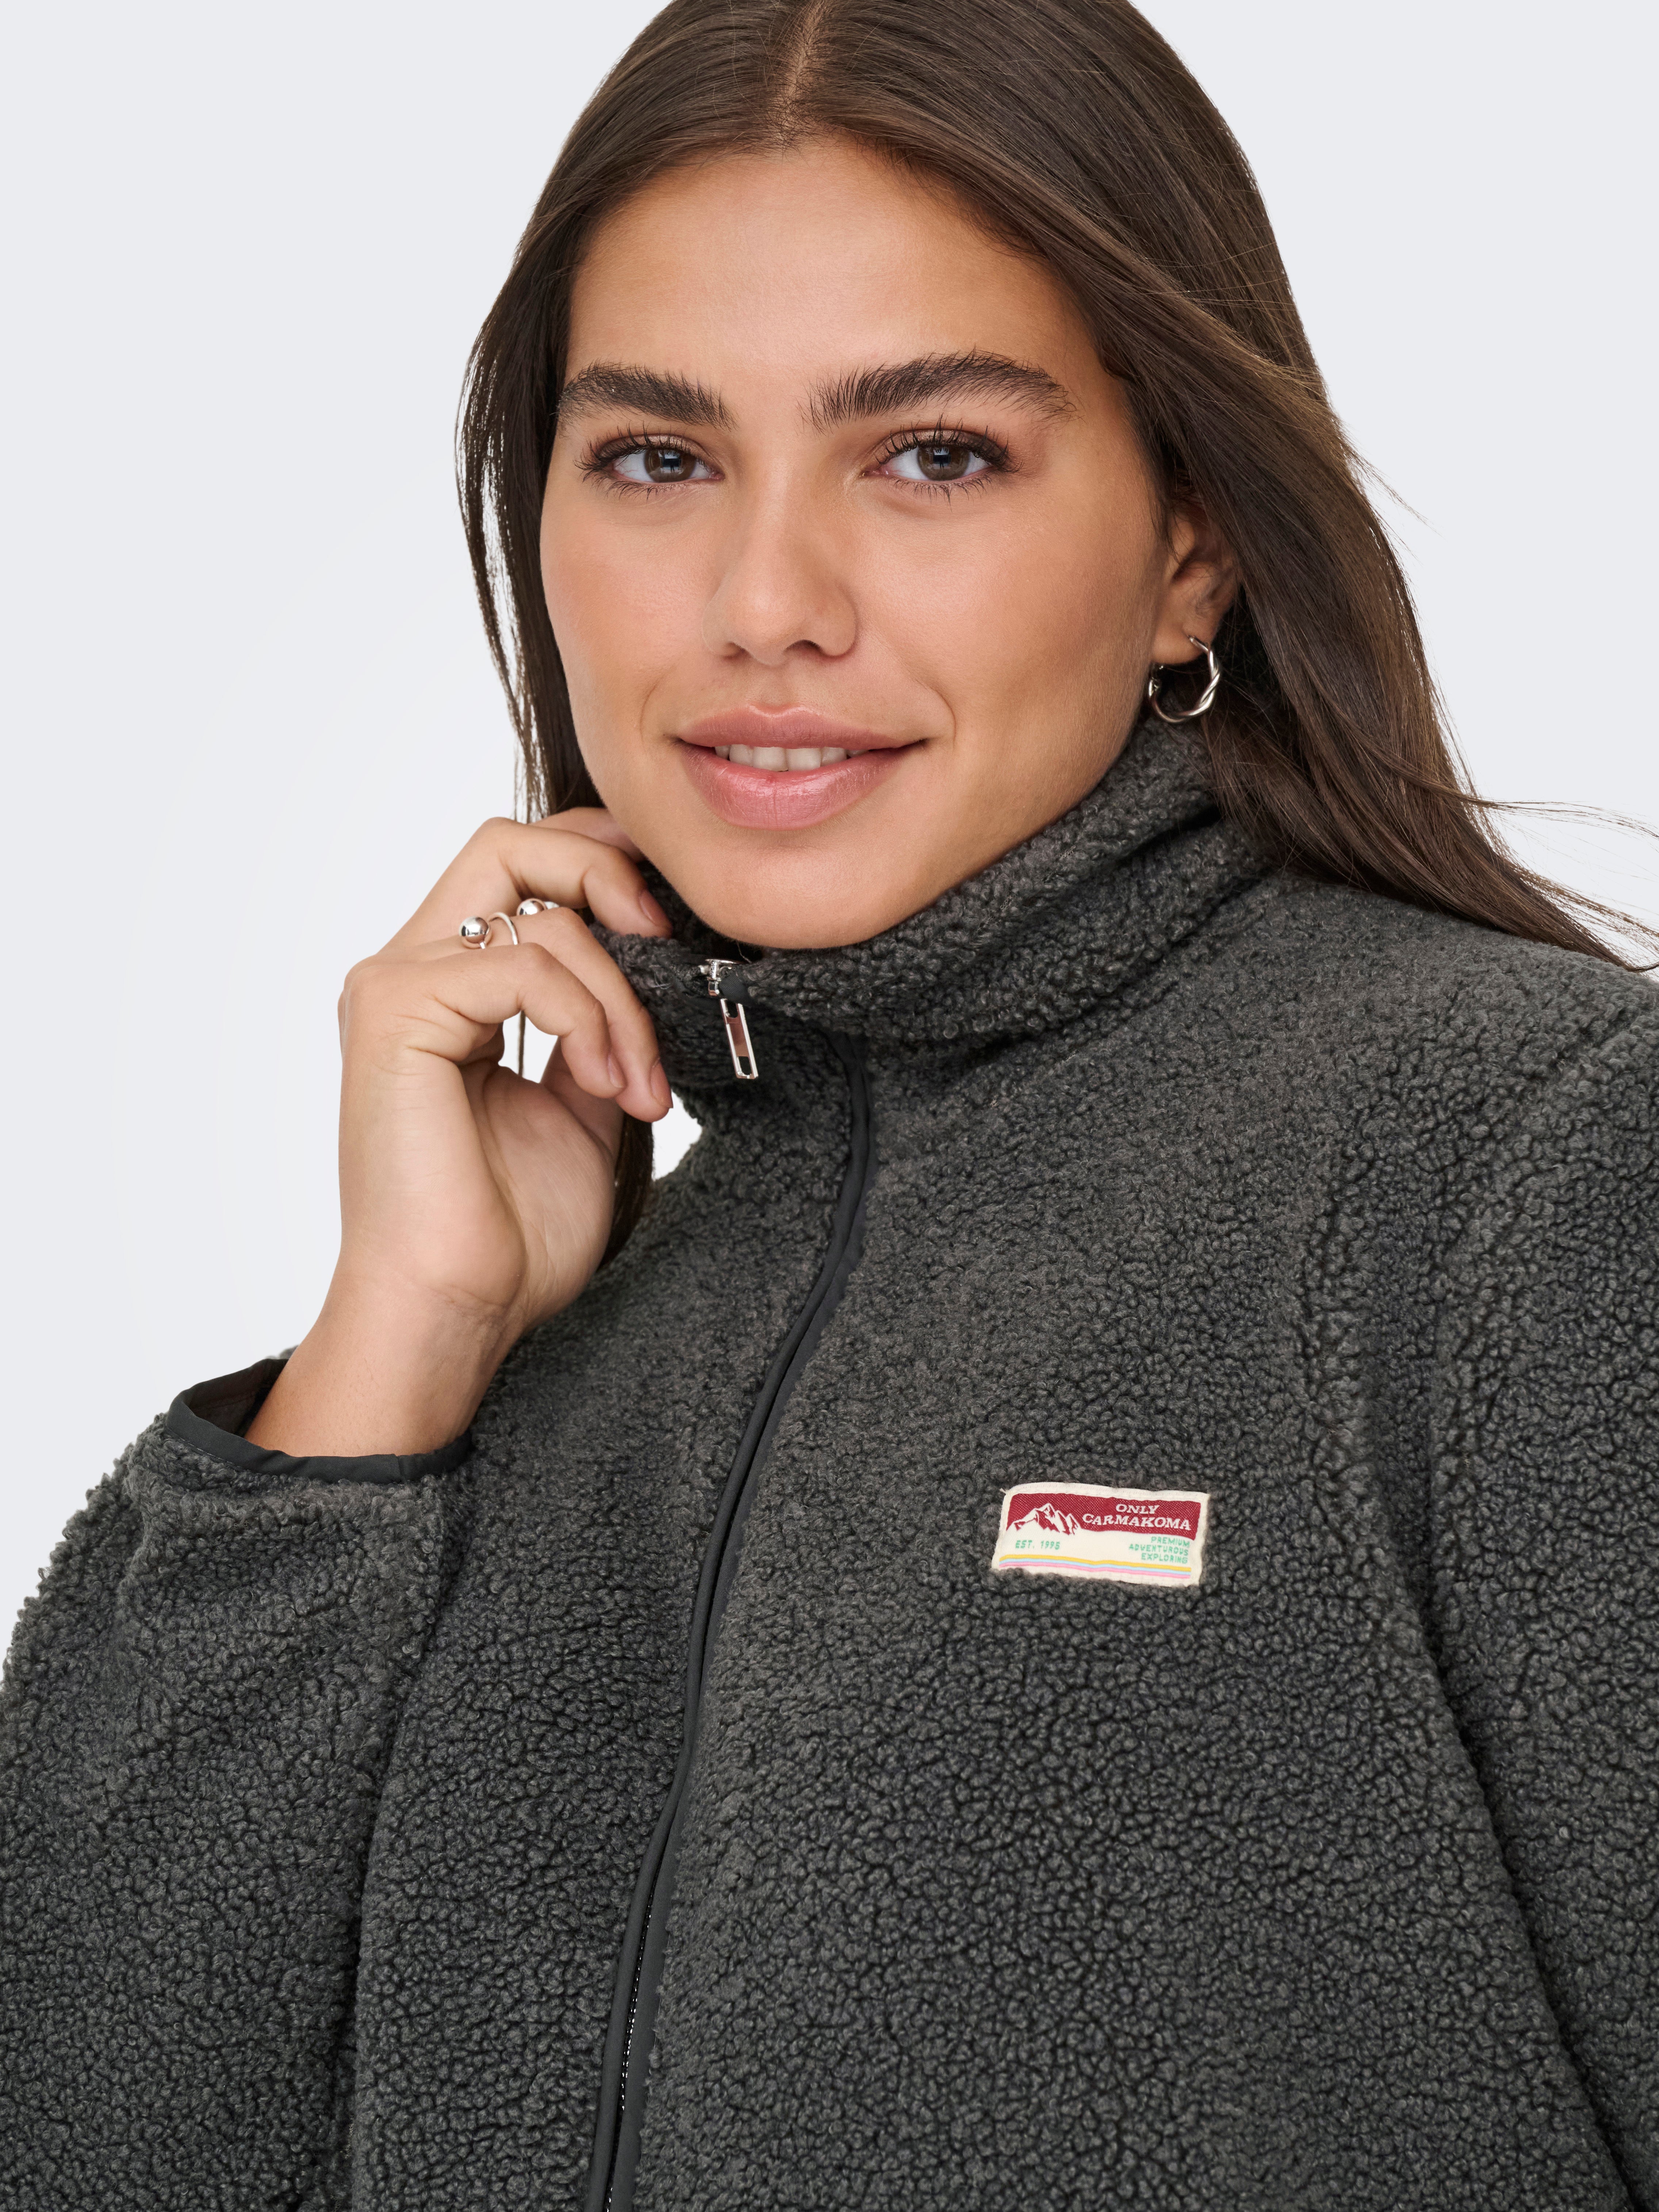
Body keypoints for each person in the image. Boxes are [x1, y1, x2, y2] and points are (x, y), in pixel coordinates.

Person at [3, 0, 1655, 2205]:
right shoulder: (554, 1300)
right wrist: (385, 1363)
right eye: (657, 460)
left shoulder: (1532, 1170)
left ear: (1192, 543)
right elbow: (86, 2141)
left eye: (935, 455)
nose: (765, 605)